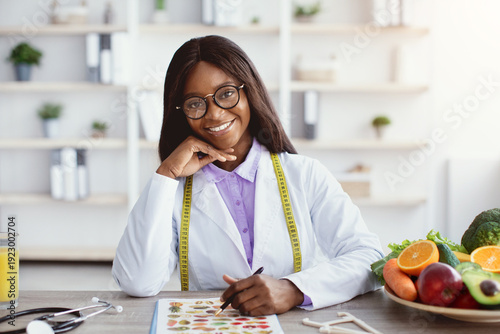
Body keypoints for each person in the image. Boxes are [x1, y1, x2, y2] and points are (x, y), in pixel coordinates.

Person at [112, 35, 384, 316]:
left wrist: (294, 290)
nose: (215, 114)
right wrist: (166, 174)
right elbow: (137, 282)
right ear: (181, 113)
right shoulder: (173, 190)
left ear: (249, 90)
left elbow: (370, 259)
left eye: (226, 93)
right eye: (195, 103)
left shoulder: (304, 174)